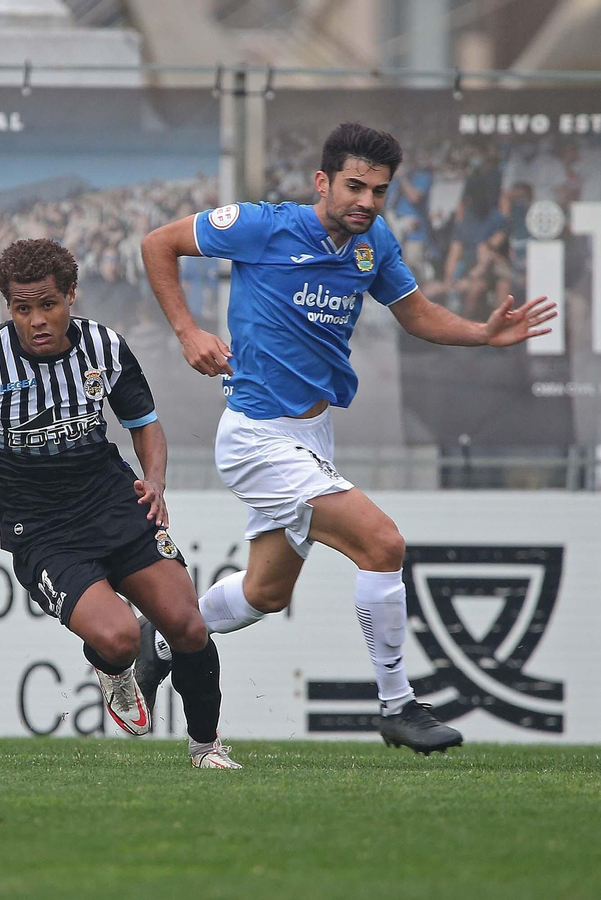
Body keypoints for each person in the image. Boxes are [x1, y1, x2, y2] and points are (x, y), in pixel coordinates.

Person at [138, 122, 554, 755]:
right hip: (256, 437)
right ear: (323, 182)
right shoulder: (262, 224)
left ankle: (164, 636)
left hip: (311, 436)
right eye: (354, 186)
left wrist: (482, 333)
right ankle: (396, 704)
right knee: (382, 543)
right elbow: (156, 244)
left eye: (379, 191)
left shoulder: (374, 243)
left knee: (264, 594)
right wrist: (188, 332)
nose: (366, 201)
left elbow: (414, 313)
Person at [0, 239, 238, 769]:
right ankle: (114, 671)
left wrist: (154, 482)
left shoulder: (104, 348)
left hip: (113, 502)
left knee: (188, 626)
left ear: (71, 295)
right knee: (118, 639)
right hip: (40, 529)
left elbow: (145, 426)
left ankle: (206, 748)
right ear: (7, 308)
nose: (37, 320)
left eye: (49, 304)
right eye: (22, 308)